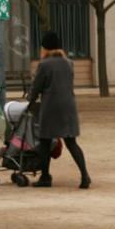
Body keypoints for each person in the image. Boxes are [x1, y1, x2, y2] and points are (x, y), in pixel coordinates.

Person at [27, 31, 91, 188]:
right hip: (68, 106)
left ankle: (45, 177)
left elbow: (37, 87)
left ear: (45, 48)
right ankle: (84, 175)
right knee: (71, 142)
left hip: (51, 107)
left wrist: (30, 100)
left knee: (44, 141)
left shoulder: (44, 64)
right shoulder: (69, 62)